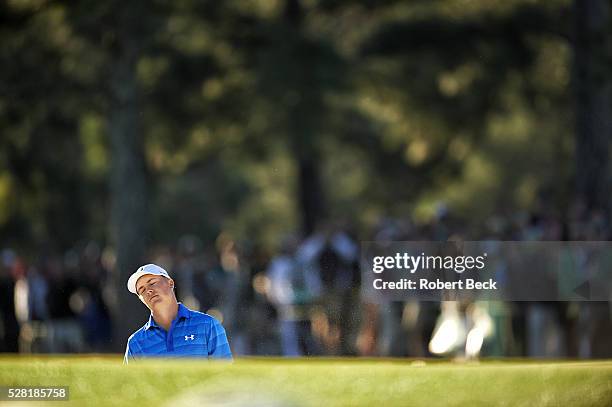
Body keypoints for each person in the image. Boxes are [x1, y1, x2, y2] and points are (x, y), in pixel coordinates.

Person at [124, 264, 232, 364]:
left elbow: (225, 375)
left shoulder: (207, 325)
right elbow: (131, 384)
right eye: (142, 290)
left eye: (152, 283)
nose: (148, 291)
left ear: (170, 283)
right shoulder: (135, 343)